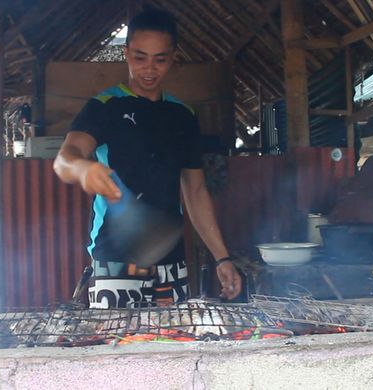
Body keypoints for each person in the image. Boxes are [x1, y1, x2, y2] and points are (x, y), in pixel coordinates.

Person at [54, 7, 241, 309]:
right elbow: (64, 159)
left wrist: (222, 257)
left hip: (171, 258)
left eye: (160, 59)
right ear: (126, 53)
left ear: (173, 57)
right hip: (115, 257)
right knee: (117, 348)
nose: (149, 69)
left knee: (171, 346)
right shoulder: (106, 106)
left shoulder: (183, 115)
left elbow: (194, 190)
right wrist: (82, 168)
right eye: (140, 57)